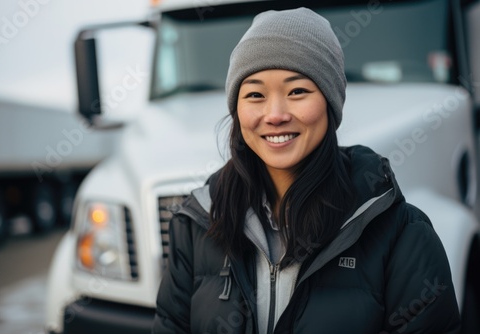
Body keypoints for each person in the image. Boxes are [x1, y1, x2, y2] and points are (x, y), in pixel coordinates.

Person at [153, 7, 460, 334]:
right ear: (237, 109)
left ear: (330, 103)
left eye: (297, 91)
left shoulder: (400, 233)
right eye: (255, 94)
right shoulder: (196, 227)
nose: (275, 114)